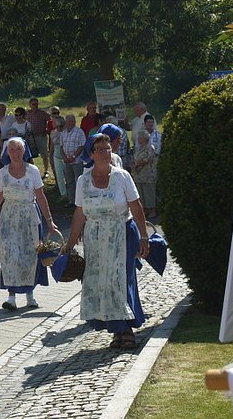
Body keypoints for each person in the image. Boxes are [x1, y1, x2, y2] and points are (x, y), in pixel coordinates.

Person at [63, 133, 150, 349]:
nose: (105, 152)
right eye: (100, 149)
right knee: (100, 281)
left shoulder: (122, 176)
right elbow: (79, 214)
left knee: (120, 280)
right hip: (94, 239)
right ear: (91, 154)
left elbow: (136, 206)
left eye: (108, 148)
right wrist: (70, 244)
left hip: (122, 234)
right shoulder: (83, 181)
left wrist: (144, 235)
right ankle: (116, 330)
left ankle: (127, 329)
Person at [0, 137, 58, 310]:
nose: (16, 153)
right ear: (7, 152)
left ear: (24, 151)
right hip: (9, 217)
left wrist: (49, 221)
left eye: (19, 150)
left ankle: (30, 295)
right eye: (12, 150)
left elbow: (40, 196)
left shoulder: (32, 171)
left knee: (30, 255)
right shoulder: (3, 173)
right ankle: (11, 297)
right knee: (10, 254)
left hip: (30, 217)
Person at [59, 114, 86, 206]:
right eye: (68, 121)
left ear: (74, 122)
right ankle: (71, 200)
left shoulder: (79, 132)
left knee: (79, 181)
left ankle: (81, 201)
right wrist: (64, 158)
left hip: (77, 161)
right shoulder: (63, 133)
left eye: (71, 121)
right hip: (67, 162)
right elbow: (61, 146)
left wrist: (73, 156)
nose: (69, 123)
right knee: (69, 181)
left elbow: (82, 146)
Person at [133, 130, 158, 218]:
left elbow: (147, 159)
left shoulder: (150, 147)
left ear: (144, 138)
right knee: (142, 194)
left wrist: (136, 165)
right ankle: (146, 210)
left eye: (139, 137)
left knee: (149, 193)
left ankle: (153, 210)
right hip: (140, 176)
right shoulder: (140, 148)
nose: (138, 139)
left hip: (148, 175)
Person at [26, 98, 50, 177]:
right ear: (30, 105)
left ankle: (46, 171)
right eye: (33, 104)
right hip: (31, 137)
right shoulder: (27, 114)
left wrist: (47, 131)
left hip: (41, 136)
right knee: (31, 155)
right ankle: (33, 171)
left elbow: (51, 121)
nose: (35, 106)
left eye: (36, 104)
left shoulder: (42, 113)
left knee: (44, 154)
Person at [49, 115, 68, 198]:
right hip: (56, 155)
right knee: (59, 175)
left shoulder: (66, 132)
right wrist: (50, 155)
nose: (52, 123)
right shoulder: (52, 132)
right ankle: (63, 194)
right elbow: (52, 145)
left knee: (68, 175)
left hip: (66, 155)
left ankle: (71, 192)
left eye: (53, 122)